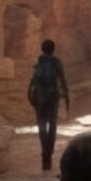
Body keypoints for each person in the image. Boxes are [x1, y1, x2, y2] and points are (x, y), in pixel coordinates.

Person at [27, 39, 69, 172]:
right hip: (53, 96)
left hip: (40, 97)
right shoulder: (56, 62)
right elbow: (62, 79)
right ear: (53, 49)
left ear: (42, 49)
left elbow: (33, 81)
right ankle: (49, 153)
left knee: (41, 125)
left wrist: (32, 96)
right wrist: (66, 96)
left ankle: (44, 153)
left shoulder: (39, 62)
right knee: (52, 124)